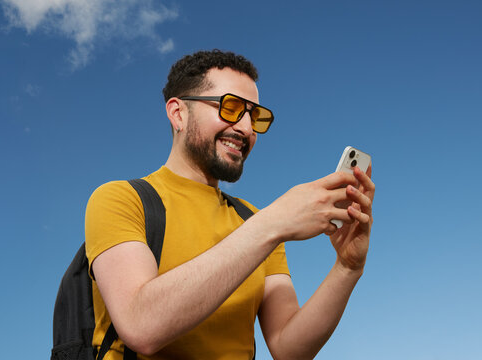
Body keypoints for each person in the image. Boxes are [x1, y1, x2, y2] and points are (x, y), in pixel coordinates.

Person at [85, 49, 375, 360]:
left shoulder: (253, 219)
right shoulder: (121, 199)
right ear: (178, 113)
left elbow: (288, 347)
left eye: (255, 116)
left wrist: (347, 268)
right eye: (231, 107)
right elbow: (141, 326)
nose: (247, 129)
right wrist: (271, 224)